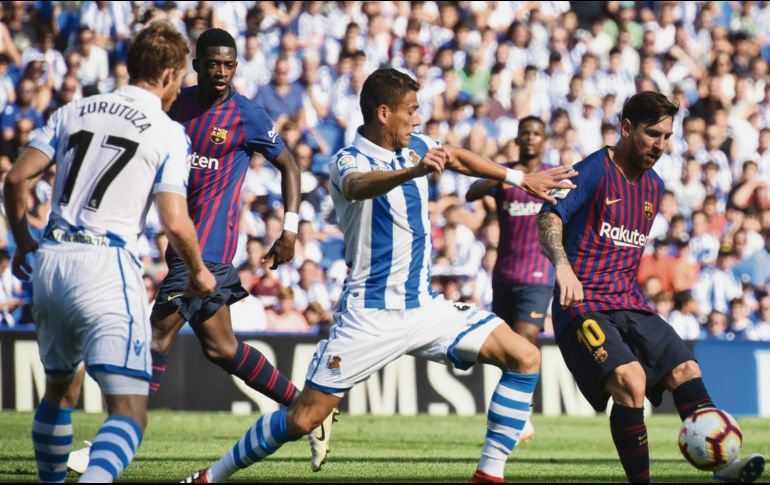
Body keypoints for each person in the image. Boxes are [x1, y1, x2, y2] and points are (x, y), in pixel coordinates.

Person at [182, 68, 577, 484]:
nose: (418, 119)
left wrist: (519, 178)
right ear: (384, 113)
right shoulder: (347, 160)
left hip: (423, 308)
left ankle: (489, 476)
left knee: (524, 356)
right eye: (411, 111)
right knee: (302, 419)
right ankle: (211, 477)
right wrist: (412, 172)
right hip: (368, 316)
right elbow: (358, 186)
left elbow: (456, 156)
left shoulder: (418, 145)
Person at [4, 22, 216, 483]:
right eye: (180, 79)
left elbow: (16, 179)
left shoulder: (73, 110)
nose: (180, 90)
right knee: (130, 412)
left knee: (59, 392)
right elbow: (174, 220)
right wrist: (200, 271)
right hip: (105, 263)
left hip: (52, 260)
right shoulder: (167, 131)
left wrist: (24, 242)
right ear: (167, 76)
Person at [537, 91, 765, 483]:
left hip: (629, 302)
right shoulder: (592, 170)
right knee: (631, 380)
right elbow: (549, 217)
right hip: (583, 302)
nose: (660, 145)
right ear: (626, 128)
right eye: (652, 134)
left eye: (667, 137)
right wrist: (562, 267)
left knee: (686, 369)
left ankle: (722, 468)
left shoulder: (654, 187)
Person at [465, 115, 554, 443]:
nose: (530, 138)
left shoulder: (553, 176)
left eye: (536, 133)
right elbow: (471, 193)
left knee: (524, 340)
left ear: (544, 140)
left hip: (538, 275)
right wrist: (502, 177)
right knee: (507, 350)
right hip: (504, 275)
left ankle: (520, 414)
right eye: (524, 133)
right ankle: (515, 409)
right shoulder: (507, 174)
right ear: (517, 139)